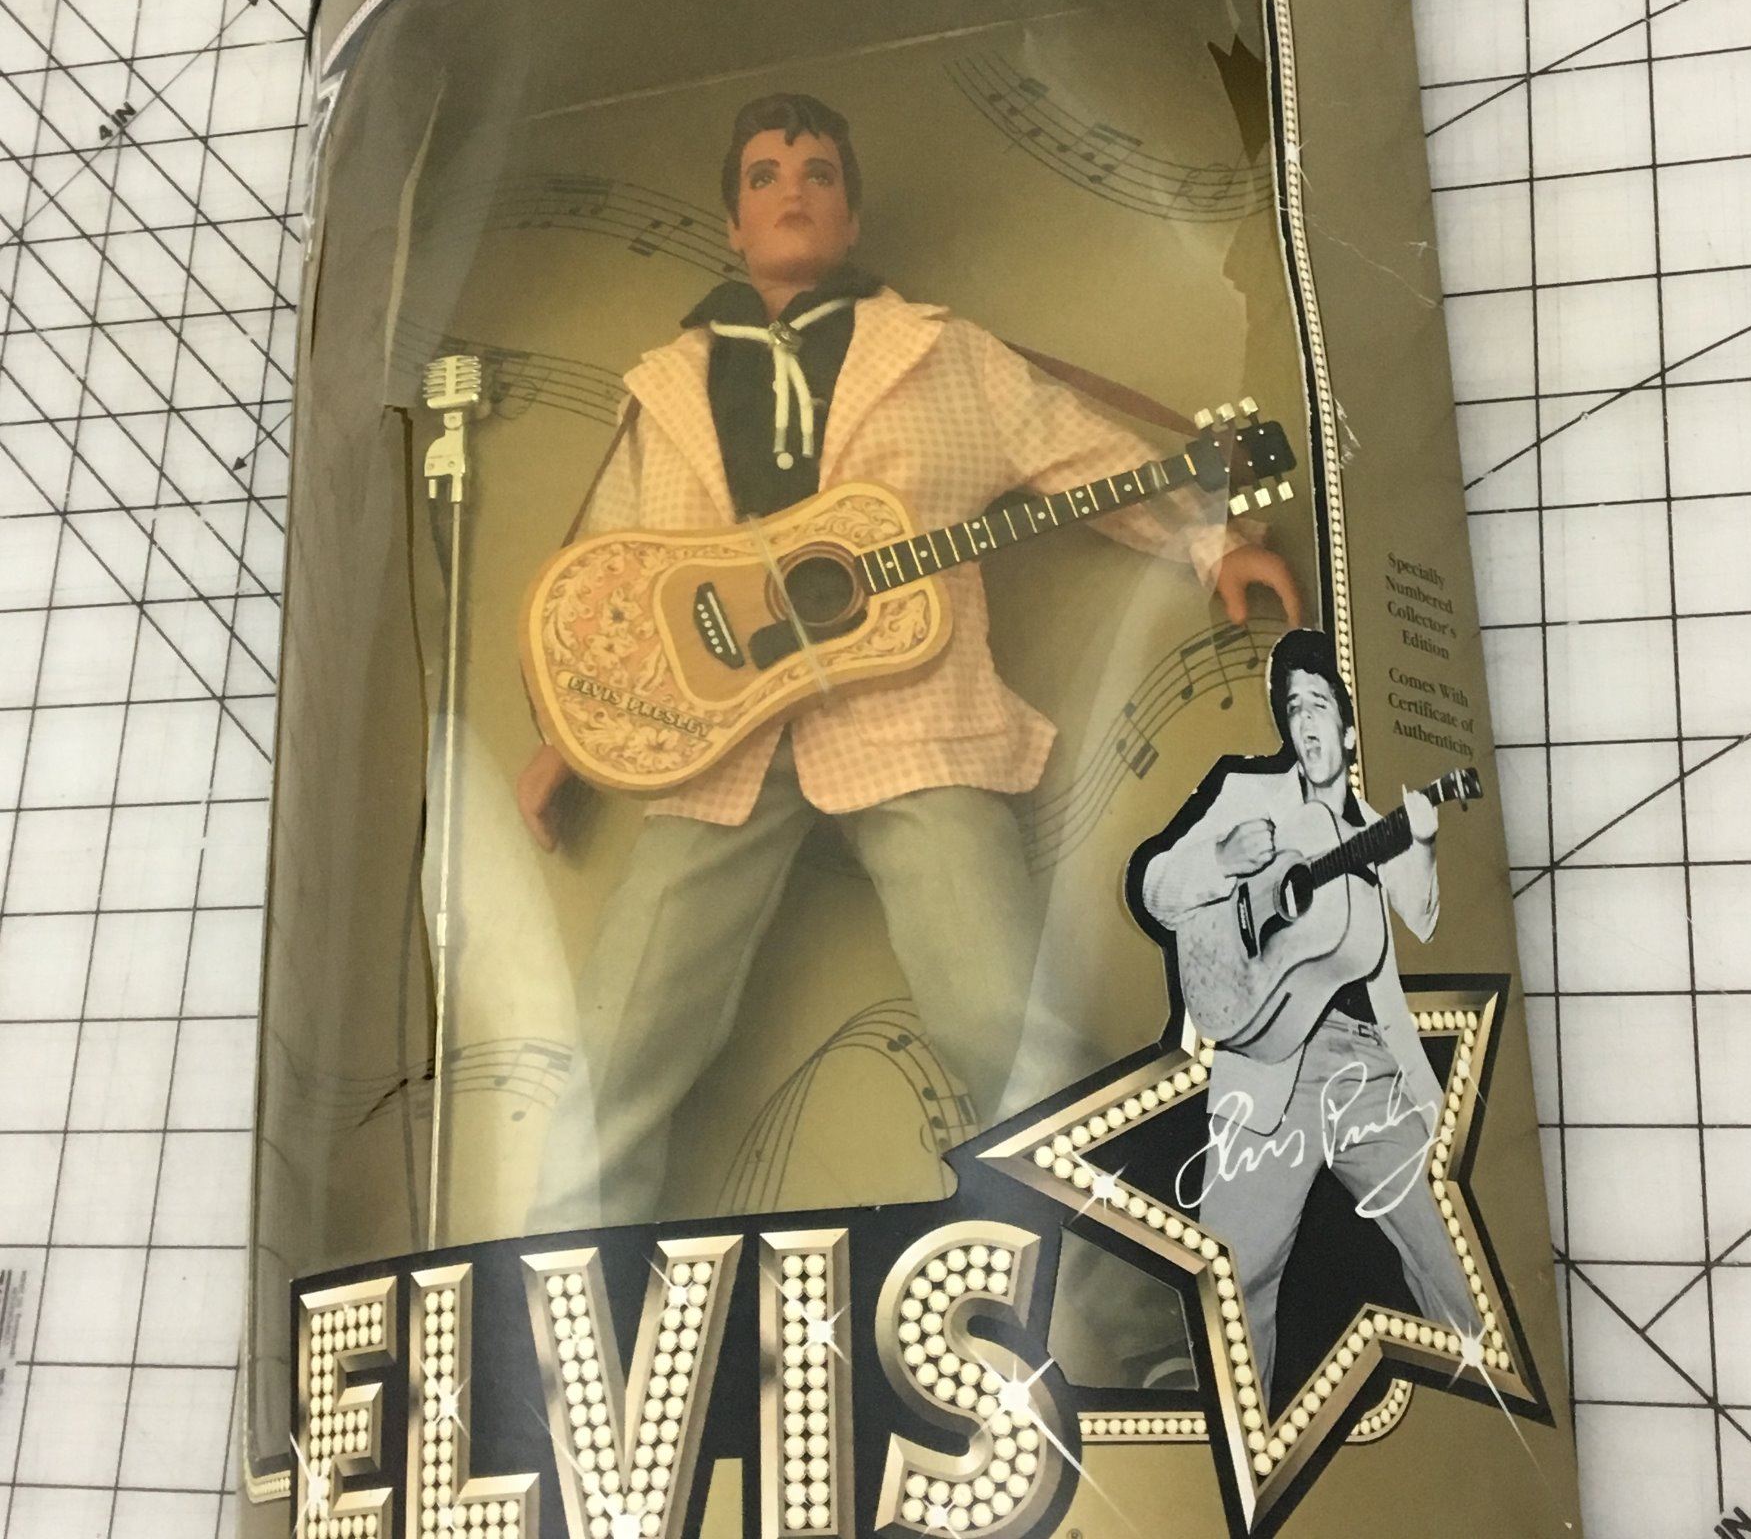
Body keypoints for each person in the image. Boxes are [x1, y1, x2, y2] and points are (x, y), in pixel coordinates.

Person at [518, 91, 1301, 1233]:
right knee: (616, 1052)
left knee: (1006, 1023)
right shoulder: (669, 385)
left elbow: (1081, 456)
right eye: (765, 176)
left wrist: (1214, 541)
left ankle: (1116, 1305)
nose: (793, 192)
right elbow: (613, 585)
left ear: (853, 214)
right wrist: (572, 731)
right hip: (717, 742)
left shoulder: (942, 355)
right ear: (732, 222)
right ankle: (551, 1316)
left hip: (912, 718)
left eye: (819, 174)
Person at [1132, 627, 1478, 1390]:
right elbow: (1156, 888)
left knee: (1457, 1269)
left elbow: (1422, 917)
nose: (1307, 722)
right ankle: (1228, 1442)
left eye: (1320, 705)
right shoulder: (1246, 796)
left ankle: (1489, 1420)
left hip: (1373, 1073)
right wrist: (1220, 860)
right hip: (1271, 1068)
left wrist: (1421, 843)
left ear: (1349, 733)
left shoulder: (1373, 828)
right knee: (1235, 1281)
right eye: (1294, 708)